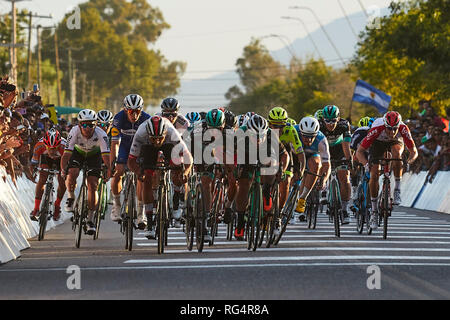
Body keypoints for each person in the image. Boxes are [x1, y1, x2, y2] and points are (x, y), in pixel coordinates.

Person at [127, 115, 193, 239]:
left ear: (164, 133)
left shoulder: (172, 132)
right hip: (147, 148)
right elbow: (131, 162)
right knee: (147, 178)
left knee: (178, 168)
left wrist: (185, 173)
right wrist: (139, 173)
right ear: (148, 135)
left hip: (168, 145)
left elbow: (189, 158)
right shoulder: (141, 133)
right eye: (154, 139)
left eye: (159, 138)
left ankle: (176, 201)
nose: (157, 142)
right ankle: (150, 222)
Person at [355, 111, 418, 229]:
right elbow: (359, 152)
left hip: (395, 143)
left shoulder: (404, 128)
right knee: (374, 175)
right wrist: (366, 164)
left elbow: (414, 151)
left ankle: (397, 189)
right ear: (385, 125)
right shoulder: (377, 128)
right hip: (377, 143)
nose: (392, 132)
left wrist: (408, 162)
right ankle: (374, 212)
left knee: (397, 154)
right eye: (389, 128)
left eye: (395, 129)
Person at [233, 114, 289, 240]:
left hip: (265, 155)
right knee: (243, 185)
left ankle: (267, 191)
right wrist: (234, 169)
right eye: (255, 137)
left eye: (261, 137)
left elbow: (284, 154)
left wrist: (282, 170)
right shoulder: (240, 134)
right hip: (246, 156)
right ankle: (241, 222)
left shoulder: (270, 134)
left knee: (273, 163)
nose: (258, 140)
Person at [61, 109, 112, 235]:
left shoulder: (101, 134)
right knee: (72, 173)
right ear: (79, 125)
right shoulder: (74, 132)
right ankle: (71, 197)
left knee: (93, 185)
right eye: (84, 125)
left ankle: (90, 219)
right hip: (78, 153)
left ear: (95, 124)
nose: (88, 128)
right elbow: (66, 154)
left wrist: (109, 169)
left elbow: (106, 156)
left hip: (94, 156)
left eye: (91, 125)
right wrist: (63, 169)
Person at [304, 105, 352, 224]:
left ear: (338, 118)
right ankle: (321, 189)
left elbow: (346, 146)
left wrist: (349, 160)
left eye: (333, 121)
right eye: (327, 121)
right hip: (322, 149)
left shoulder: (344, 125)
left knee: (344, 178)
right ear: (323, 119)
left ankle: (345, 210)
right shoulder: (318, 125)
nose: (330, 124)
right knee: (319, 167)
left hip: (339, 149)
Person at [110, 94, 151, 227]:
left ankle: (141, 213)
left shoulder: (147, 119)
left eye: (137, 111)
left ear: (141, 110)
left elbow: (149, 144)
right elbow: (115, 143)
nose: (134, 115)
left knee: (141, 177)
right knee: (118, 172)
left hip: (139, 147)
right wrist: (112, 163)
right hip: (124, 146)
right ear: (125, 110)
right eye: (130, 111)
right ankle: (116, 205)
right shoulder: (118, 118)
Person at [294, 117, 331, 221]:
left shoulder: (321, 139)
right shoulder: (294, 132)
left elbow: (326, 163)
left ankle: (303, 198)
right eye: (305, 136)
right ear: (300, 132)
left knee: (315, 164)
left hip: (311, 155)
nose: (309, 140)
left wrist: (323, 180)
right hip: (295, 154)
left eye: (312, 137)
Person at [29, 129, 67, 221]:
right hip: (45, 159)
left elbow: (67, 166)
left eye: (54, 148)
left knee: (62, 182)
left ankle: (57, 205)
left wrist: (64, 173)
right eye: (49, 148)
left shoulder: (64, 147)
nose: (52, 151)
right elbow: (33, 164)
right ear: (45, 145)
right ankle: (36, 208)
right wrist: (33, 173)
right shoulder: (39, 146)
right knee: (42, 179)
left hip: (61, 160)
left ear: (58, 145)